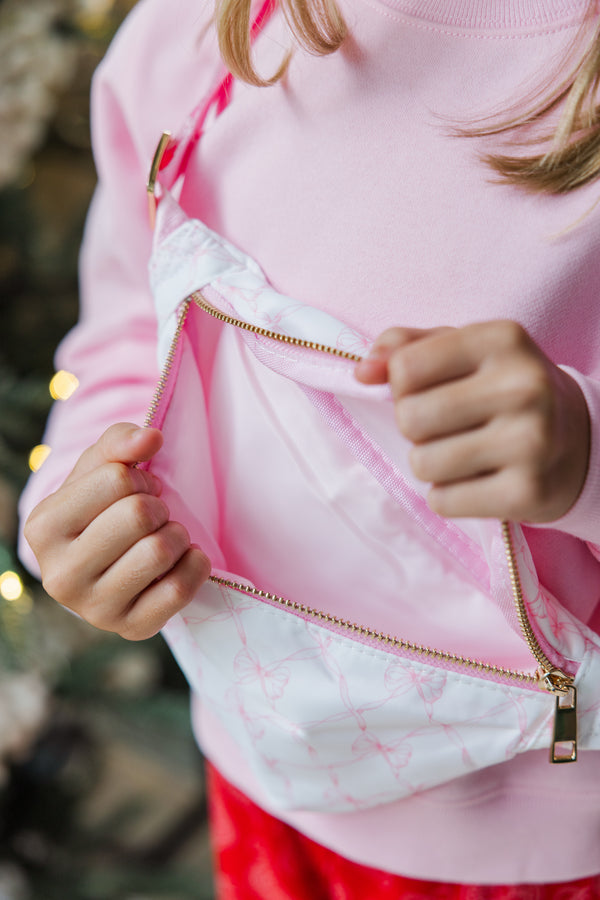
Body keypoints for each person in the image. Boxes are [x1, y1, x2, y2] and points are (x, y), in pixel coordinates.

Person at [18, 0, 600, 894]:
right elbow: (134, 326)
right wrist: (78, 494)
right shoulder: (206, 26)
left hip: (553, 845)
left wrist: (583, 459)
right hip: (268, 778)